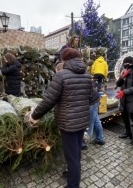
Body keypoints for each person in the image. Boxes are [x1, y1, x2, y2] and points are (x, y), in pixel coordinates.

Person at [28, 48, 93, 188]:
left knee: (71, 156)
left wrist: (34, 115)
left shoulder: (61, 76)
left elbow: (48, 100)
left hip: (68, 123)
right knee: (76, 152)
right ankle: (72, 173)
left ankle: (73, 185)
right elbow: (93, 97)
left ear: (64, 59)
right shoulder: (87, 75)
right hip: (81, 120)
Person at [116, 56, 133, 145]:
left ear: (131, 63)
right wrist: (122, 77)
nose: (125, 65)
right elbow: (118, 84)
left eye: (126, 63)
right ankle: (128, 132)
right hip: (125, 99)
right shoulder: (125, 70)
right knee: (125, 118)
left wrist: (124, 92)